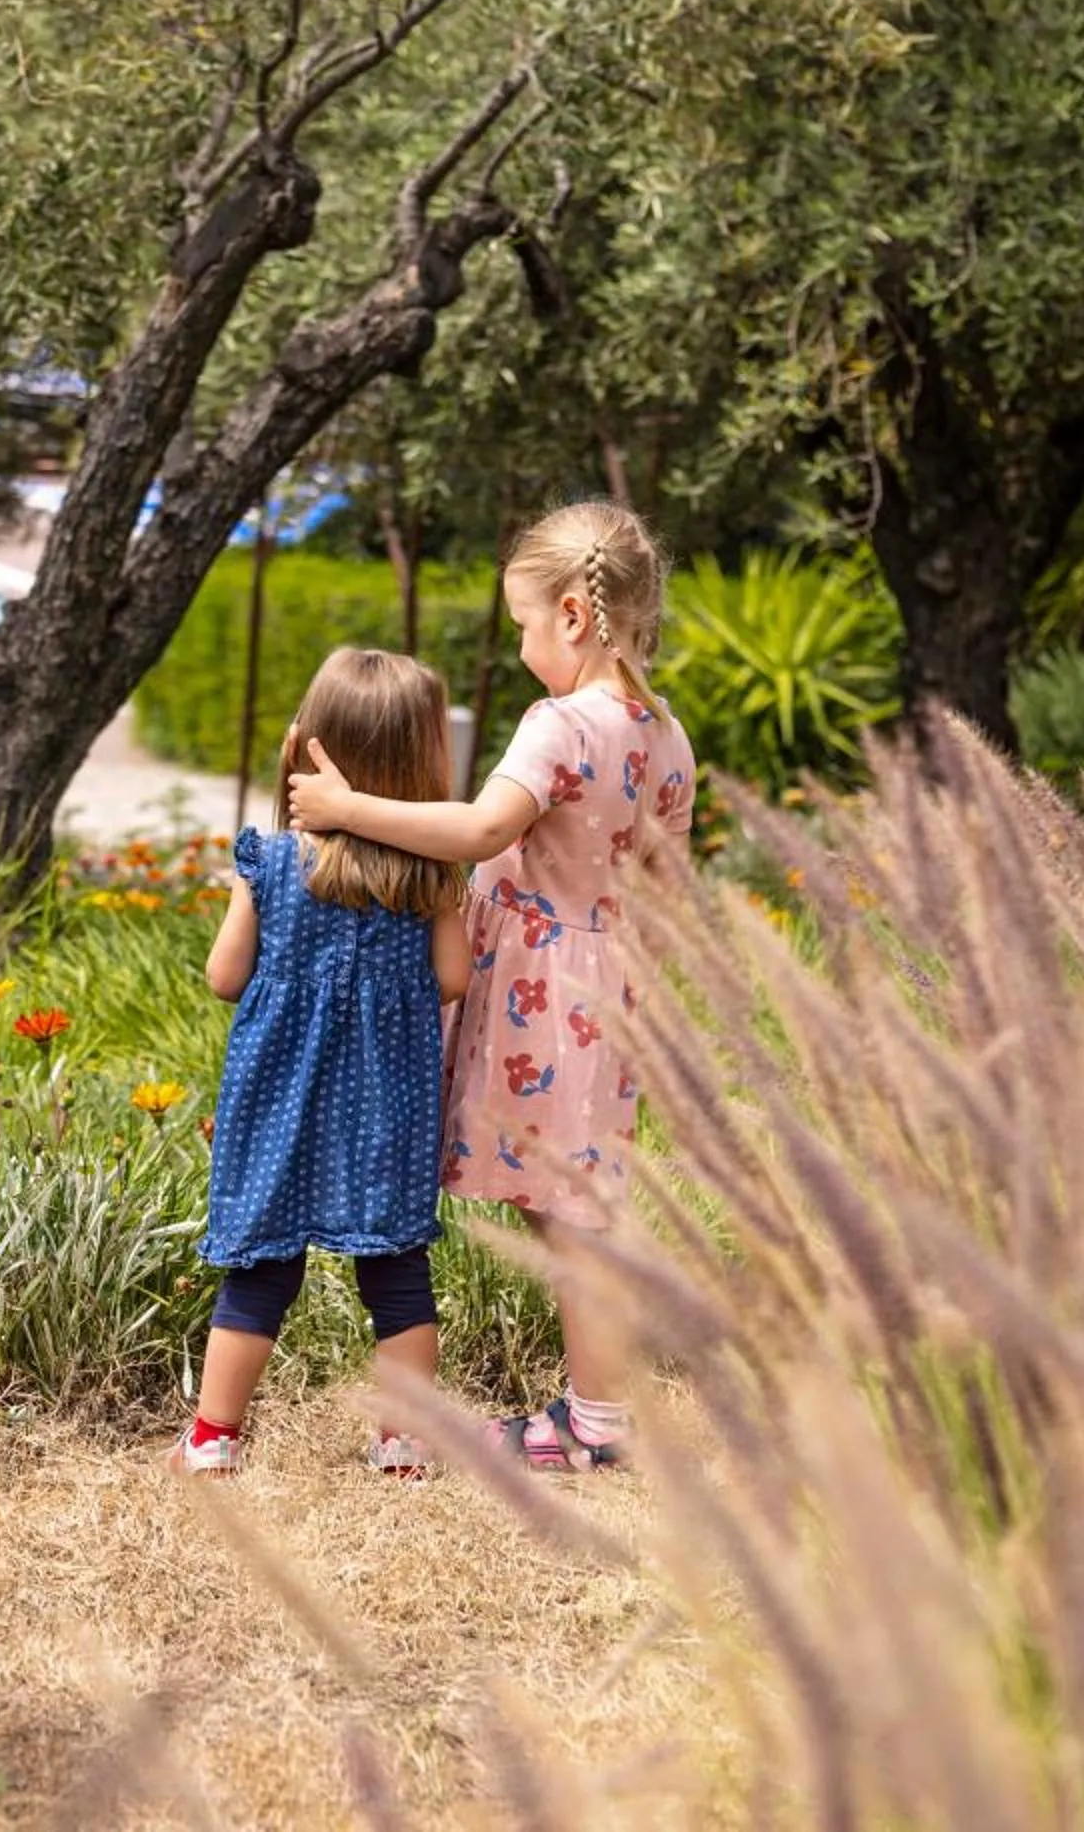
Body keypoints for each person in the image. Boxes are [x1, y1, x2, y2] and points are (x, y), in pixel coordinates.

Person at [285, 501, 694, 1470]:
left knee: (569, 1220)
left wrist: (348, 808)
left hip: (539, 994)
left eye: (522, 625)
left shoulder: (561, 724)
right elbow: (670, 888)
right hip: (609, 989)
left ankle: (597, 1425)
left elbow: (480, 830)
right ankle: (597, 1415)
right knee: (572, 1207)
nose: (519, 648)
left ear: (573, 616)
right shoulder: (665, 733)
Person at [184, 648, 476, 1476]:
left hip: (279, 1100)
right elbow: (453, 979)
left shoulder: (271, 862)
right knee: (397, 1272)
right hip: (387, 1103)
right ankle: (405, 1444)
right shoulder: (430, 875)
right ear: (421, 765)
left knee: (261, 1269)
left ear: (309, 747)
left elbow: (223, 977)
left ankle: (213, 1441)